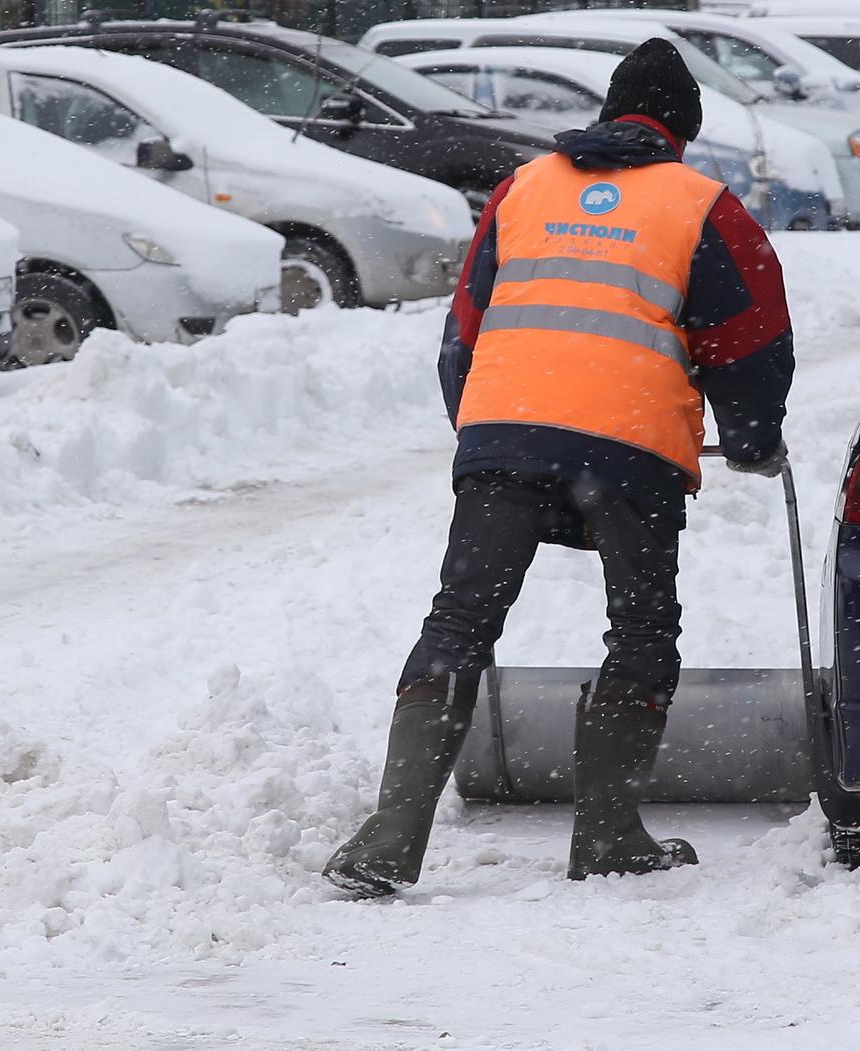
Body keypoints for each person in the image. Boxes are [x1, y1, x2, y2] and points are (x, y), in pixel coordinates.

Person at [321, 39, 795, 899]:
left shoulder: (522, 188)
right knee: (642, 628)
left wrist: (483, 430)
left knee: (461, 619)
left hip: (503, 431)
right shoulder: (704, 206)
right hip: (631, 450)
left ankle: (388, 838)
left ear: (609, 115)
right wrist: (754, 435)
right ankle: (608, 833)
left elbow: (465, 323)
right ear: (682, 131)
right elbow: (751, 340)